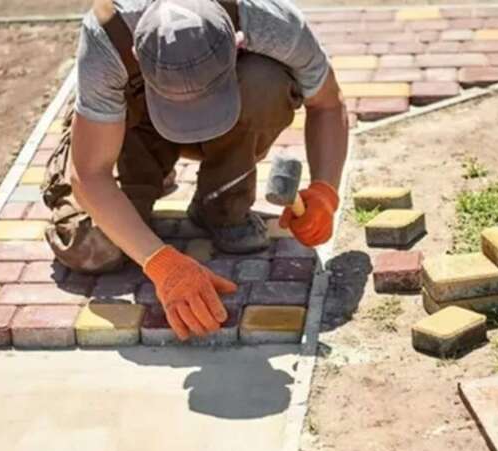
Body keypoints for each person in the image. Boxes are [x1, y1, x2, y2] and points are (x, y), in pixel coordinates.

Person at [67, 0, 348, 341]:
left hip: (233, 109)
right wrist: (160, 263)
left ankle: (221, 203)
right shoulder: (108, 35)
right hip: (127, 121)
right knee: (94, 249)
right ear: (138, 56)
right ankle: (144, 178)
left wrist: (325, 191)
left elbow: (328, 103)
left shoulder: (270, 21)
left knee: (265, 82)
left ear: (238, 41)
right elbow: (89, 173)